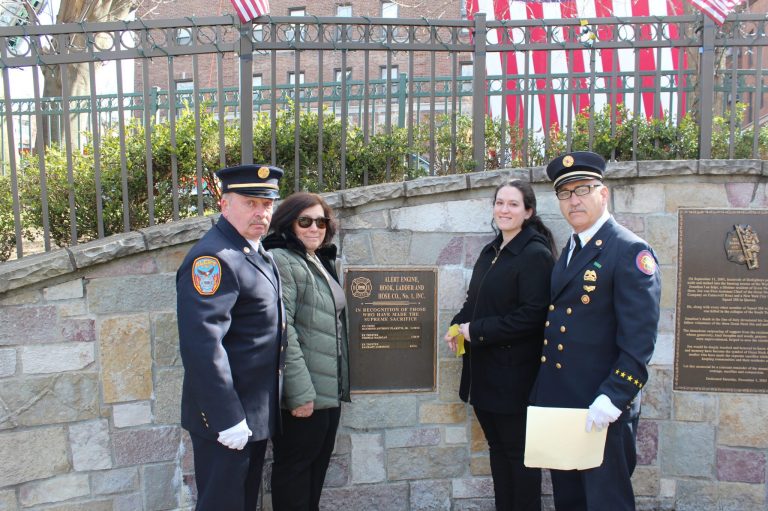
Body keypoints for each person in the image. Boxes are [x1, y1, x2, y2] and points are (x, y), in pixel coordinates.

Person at [530, 151, 661, 511]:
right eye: (565, 193)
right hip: (564, 404)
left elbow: (640, 341)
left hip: (600, 408)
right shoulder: (572, 248)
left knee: (606, 502)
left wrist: (613, 397)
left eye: (583, 189)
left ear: (603, 193)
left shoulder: (629, 250)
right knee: (570, 500)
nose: (574, 200)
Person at [176, 164, 287, 511]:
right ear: (225, 205)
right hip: (228, 419)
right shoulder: (213, 258)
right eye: (250, 203)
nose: (261, 212)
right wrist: (227, 418)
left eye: (267, 204)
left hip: (251, 413)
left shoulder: (251, 250)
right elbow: (203, 346)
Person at [444, 179, 557, 511]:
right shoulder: (491, 250)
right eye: (499, 203)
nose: (504, 210)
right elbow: (474, 301)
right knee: (498, 451)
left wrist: (475, 331)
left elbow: (532, 317)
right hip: (484, 377)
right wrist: (456, 325)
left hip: (514, 380)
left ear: (528, 211)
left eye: (512, 204)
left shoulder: (535, 254)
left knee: (520, 460)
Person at [262, 192, 351, 511]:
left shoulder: (318, 259)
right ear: (289, 224)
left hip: (326, 392)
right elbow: (284, 328)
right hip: (304, 396)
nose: (315, 228)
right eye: (305, 221)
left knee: (314, 477)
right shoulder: (283, 260)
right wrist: (299, 394)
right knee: (295, 474)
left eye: (321, 221)